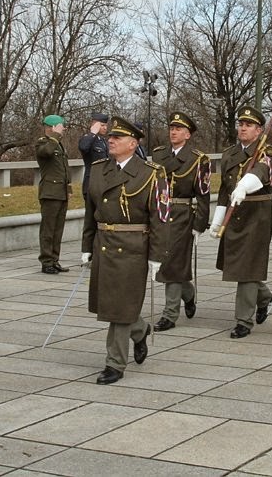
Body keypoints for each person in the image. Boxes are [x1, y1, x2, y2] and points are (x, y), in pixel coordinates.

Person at [81, 116, 169, 385]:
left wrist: (157, 255)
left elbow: (160, 217)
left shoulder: (151, 173)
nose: (111, 140)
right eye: (111, 137)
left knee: (118, 307)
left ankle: (115, 363)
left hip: (133, 248)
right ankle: (139, 329)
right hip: (104, 244)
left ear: (133, 144)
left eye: (118, 138)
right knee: (110, 304)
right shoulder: (98, 169)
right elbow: (90, 211)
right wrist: (86, 247)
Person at [210, 106, 272, 339]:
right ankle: (263, 296)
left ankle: (243, 321)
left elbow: (262, 171)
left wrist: (244, 186)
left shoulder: (267, 150)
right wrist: (217, 219)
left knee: (247, 267)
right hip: (234, 213)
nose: (243, 128)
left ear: (259, 130)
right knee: (238, 266)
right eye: (241, 124)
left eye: (248, 125)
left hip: (257, 214)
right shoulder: (230, 153)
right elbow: (224, 190)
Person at [151, 112, 211, 332]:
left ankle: (170, 314)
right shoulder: (159, 155)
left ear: (187, 134)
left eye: (178, 129)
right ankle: (188, 292)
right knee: (166, 261)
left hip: (183, 213)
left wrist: (200, 224)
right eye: (171, 128)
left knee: (173, 262)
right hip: (161, 213)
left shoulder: (198, 159)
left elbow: (203, 195)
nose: (173, 132)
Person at [36, 114, 71, 274]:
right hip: (50, 193)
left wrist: (68, 188)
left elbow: (64, 169)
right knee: (48, 230)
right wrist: (55, 135)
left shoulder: (59, 145)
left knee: (58, 230)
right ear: (52, 127)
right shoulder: (43, 143)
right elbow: (47, 153)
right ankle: (46, 261)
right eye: (61, 126)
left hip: (61, 192)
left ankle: (55, 259)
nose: (63, 129)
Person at [78, 112, 109, 199]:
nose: (105, 128)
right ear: (94, 125)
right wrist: (93, 133)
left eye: (106, 125)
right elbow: (83, 147)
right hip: (91, 183)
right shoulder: (87, 139)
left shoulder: (103, 142)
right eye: (102, 125)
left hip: (104, 184)